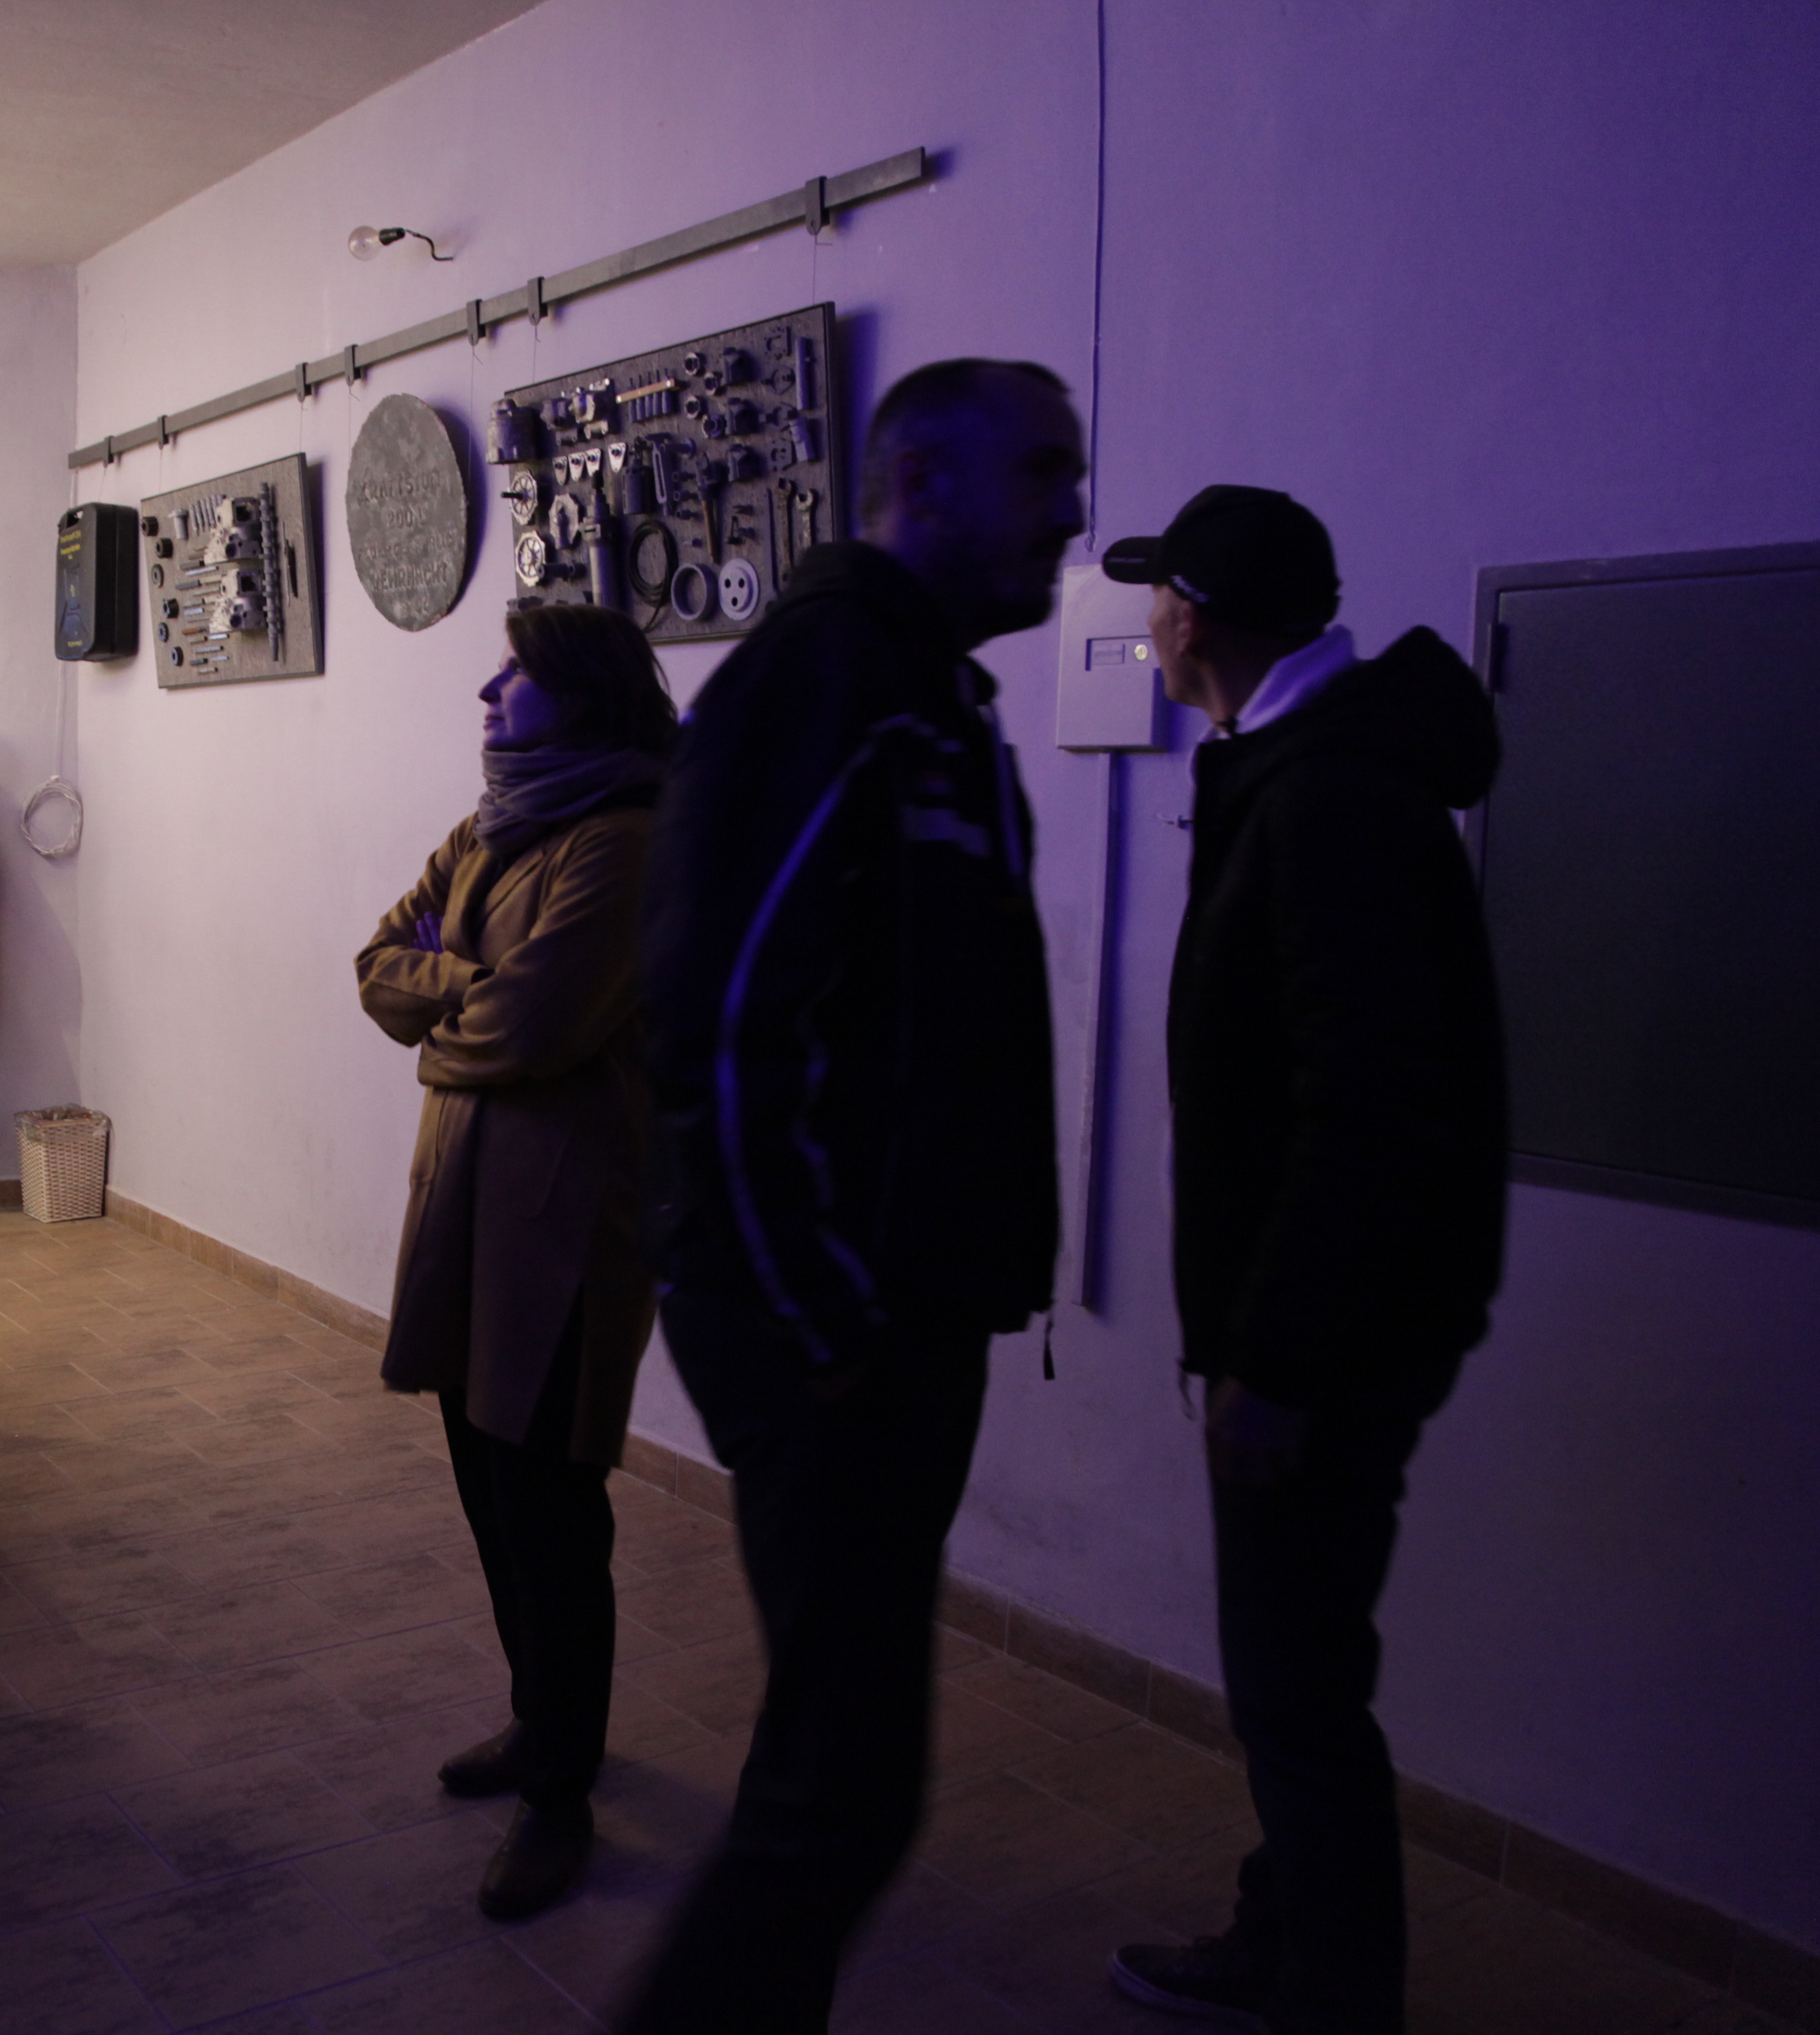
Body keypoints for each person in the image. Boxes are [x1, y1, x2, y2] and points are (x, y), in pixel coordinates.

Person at [621, 358, 1080, 2033]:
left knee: (835, 1768)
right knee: (844, 1793)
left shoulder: (933, 697)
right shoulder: (829, 675)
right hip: (832, 1324)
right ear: (921, 484)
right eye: (1043, 474)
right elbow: (721, 1016)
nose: (1073, 513)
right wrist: (824, 1324)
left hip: (898, 1316)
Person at [1101, 487, 1505, 2035]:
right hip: (1327, 1327)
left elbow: (1365, 1115)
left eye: (1157, 596)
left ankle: (1331, 1997)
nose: (1146, 623)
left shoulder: (1326, 796)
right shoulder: (1294, 766)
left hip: (1323, 1346)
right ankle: (1284, 1942)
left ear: (1194, 617)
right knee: (1297, 1670)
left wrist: (1272, 1359)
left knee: (1296, 1687)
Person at [353, 605, 671, 1919]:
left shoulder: (628, 838)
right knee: (488, 1485)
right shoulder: (490, 826)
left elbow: (531, 1025)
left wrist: (452, 997)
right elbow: (376, 966)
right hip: (464, 1202)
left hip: (564, 1220)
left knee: (551, 1513)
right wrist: (464, 990)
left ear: (582, 695)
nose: (489, 693)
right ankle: (541, 1720)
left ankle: (561, 1791)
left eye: (516, 675)